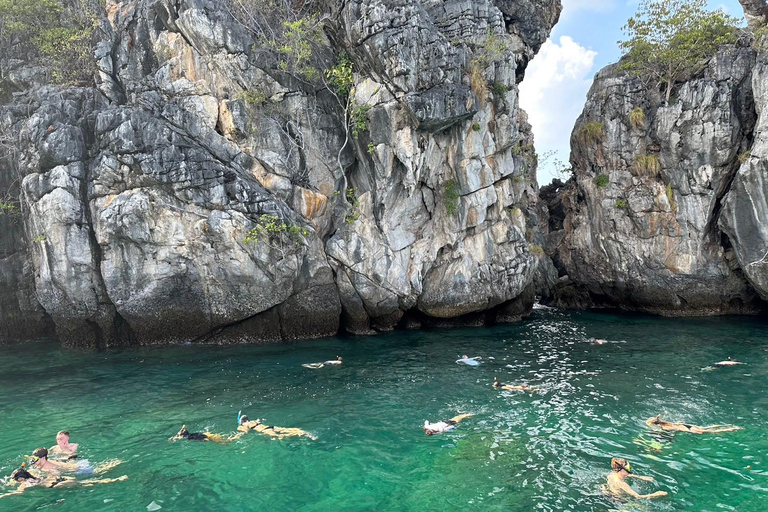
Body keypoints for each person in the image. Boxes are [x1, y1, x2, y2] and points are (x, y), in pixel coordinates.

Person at [0, 464, 127, 500]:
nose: (16, 482)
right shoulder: (35, 475)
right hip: (60, 479)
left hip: (58, 485)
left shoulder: (25, 483)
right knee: (88, 481)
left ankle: (115, 480)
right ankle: (111, 467)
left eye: (16, 479)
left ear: (21, 478)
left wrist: (2, 495)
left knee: (88, 484)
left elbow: (17, 493)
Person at [28, 448, 121, 476]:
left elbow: (57, 475)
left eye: (35, 459)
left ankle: (114, 464)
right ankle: (113, 463)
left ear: (43, 458)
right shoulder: (44, 463)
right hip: (75, 464)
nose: (33, 461)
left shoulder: (49, 468)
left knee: (99, 471)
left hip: (81, 468)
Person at [237, 411, 316, 440]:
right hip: (269, 427)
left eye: (246, 420)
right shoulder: (248, 423)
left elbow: (245, 432)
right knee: (283, 432)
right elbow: (258, 421)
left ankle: (299, 433)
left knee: (280, 436)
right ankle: (302, 432)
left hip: (266, 429)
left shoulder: (244, 425)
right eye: (245, 420)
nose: (246, 420)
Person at [646, 415, 742, 434]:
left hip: (689, 430)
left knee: (710, 432)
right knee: (707, 427)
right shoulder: (665, 422)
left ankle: (731, 429)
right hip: (689, 426)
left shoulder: (664, 427)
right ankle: (728, 425)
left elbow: (674, 432)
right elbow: (677, 425)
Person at [170, 425, 244, 443]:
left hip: (206, 438)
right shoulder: (188, 434)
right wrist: (182, 429)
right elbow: (183, 429)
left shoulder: (186, 437)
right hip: (205, 434)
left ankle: (237, 437)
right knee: (221, 437)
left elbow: (175, 438)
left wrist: (173, 438)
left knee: (224, 442)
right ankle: (237, 435)